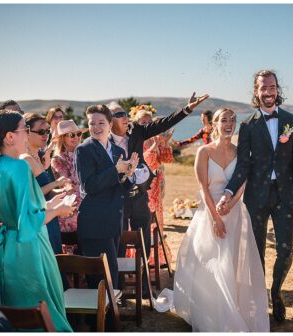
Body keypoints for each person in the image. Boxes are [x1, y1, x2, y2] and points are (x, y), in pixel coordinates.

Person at [154, 108, 269, 332]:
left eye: (232, 120)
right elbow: (203, 189)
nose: (229, 124)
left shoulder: (240, 152)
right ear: (213, 125)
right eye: (224, 120)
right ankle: (212, 311)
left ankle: (231, 307)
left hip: (235, 213)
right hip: (209, 213)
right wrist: (216, 218)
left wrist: (231, 204)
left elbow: (242, 182)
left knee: (232, 261)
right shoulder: (204, 152)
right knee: (212, 261)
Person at [216, 70, 293, 322]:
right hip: (256, 197)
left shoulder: (291, 121)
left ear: (277, 89)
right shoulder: (247, 126)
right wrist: (228, 193)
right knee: (257, 253)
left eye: (272, 87)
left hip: (285, 195)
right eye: (263, 88)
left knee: (286, 250)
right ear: (256, 92)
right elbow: (243, 165)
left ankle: (276, 292)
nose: (268, 92)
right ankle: (259, 298)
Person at [108, 93, 209, 293]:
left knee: (143, 241)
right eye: (119, 114)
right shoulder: (104, 141)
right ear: (109, 120)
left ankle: (144, 284)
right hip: (118, 200)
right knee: (118, 242)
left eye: (125, 112)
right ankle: (118, 288)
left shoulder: (136, 131)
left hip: (139, 196)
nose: (125, 116)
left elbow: (163, 123)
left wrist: (186, 109)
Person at [0, 110, 74, 331]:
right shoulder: (21, 167)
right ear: (10, 137)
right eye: (25, 129)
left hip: (8, 250)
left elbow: (1, 212)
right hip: (30, 249)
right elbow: (29, 222)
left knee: (17, 312)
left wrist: (49, 205)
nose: (27, 134)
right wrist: (59, 210)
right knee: (44, 311)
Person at [75, 104, 138, 289]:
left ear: (110, 124)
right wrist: (115, 170)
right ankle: (107, 318)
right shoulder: (83, 150)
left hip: (115, 221)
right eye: (91, 123)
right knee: (104, 282)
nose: (96, 127)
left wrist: (129, 174)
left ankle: (110, 315)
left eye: (101, 122)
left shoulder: (119, 152)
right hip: (94, 223)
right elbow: (89, 186)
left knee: (113, 276)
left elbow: (121, 187)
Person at [21, 112, 70, 254]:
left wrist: (64, 192)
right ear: (27, 133)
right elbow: (31, 194)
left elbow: (45, 191)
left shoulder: (39, 157)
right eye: (41, 131)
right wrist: (55, 184)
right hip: (39, 219)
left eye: (47, 131)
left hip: (51, 217)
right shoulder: (25, 160)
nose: (46, 135)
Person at [134, 111, 174, 266]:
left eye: (149, 122)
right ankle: (142, 259)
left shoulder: (155, 138)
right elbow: (146, 163)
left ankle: (155, 260)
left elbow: (167, 159)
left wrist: (165, 143)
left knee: (157, 220)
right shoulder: (136, 140)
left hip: (156, 186)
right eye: (143, 122)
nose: (146, 125)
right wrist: (155, 147)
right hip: (143, 187)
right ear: (137, 123)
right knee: (146, 221)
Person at [51, 120, 86, 252]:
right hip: (70, 209)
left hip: (86, 208)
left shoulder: (84, 154)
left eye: (78, 134)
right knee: (73, 251)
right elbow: (68, 183)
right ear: (62, 138)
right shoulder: (58, 160)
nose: (76, 137)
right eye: (71, 135)